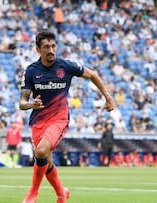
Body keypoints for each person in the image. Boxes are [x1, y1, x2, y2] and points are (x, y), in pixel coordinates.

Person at [19, 31, 115, 203]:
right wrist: (30, 105)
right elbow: (22, 102)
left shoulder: (65, 66)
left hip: (59, 119)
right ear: (38, 50)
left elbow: (92, 74)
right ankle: (62, 194)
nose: (51, 50)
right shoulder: (31, 71)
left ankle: (32, 194)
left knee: (40, 151)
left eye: (53, 46)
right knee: (46, 161)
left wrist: (108, 97)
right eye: (47, 47)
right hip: (38, 121)